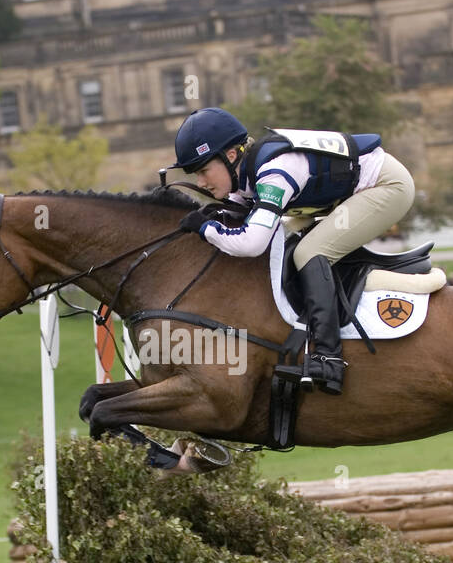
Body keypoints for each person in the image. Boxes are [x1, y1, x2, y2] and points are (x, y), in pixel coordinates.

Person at [171, 107, 414, 395]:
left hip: (387, 186)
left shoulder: (275, 173)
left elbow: (251, 244)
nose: (201, 183)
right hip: (345, 194)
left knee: (309, 252)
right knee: (287, 244)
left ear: (231, 156)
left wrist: (206, 229)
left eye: (203, 171)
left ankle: (328, 358)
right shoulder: (246, 177)